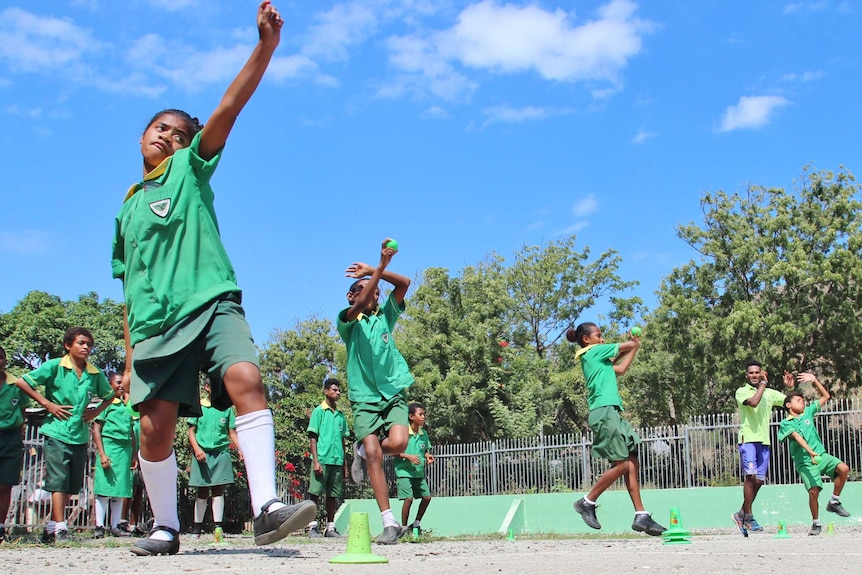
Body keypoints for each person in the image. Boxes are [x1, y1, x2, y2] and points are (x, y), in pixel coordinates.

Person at [111, 1, 315, 555]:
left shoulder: (190, 168)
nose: (168, 136)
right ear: (142, 135)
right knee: (154, 428)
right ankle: (166, 527)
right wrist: (130, 360)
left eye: (178, 133)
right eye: (160, 127)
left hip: (213, 301)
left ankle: (268, 508)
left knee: (246, 376)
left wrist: (265, 48)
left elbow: (228, 106)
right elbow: (128, 291)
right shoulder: (128, 210)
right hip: (156, 325)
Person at [337, 239, 412, 545]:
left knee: (398, 442)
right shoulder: (348, 322)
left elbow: (405, 283)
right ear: (351, 296)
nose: (375, 294)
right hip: (365, 397)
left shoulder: (385, 318)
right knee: (373, 453)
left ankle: (362, 451)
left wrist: (375, 269)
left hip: (392, 391)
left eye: (377, 291)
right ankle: (389, 522)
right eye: (367, 289)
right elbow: (360, 302)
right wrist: (378, 270)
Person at [14, 327, 116, 543]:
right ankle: (61, 528)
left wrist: (95, 412)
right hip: (57, 430)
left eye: (89, 344)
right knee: (58, 480)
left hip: (79, 434)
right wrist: (46, 403)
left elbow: (109, 395)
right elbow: (22, 381)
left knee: (72, 483)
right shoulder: (55, 366)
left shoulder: (94, 373)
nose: (86, 347)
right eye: (81, 343)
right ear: (68, 345)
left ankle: (51, 527)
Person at [567, 322, 666, 536]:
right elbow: (624, 346)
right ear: (587, 339)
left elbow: (620, 368)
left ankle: (641, 515)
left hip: (611, 412)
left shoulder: (598, 359)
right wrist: (633, 342)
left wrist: (635, 347)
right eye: (599, 335)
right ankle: (587, 501)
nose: (602, 339)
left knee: (631, 462)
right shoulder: (592, 351)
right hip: (603, 412)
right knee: (622, 464)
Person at [779, 371, 851, 535]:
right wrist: (811, 453)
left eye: (803, 401)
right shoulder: (785, 423)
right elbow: (797, 438)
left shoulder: (808, 413)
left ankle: (834, 501)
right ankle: (816, 523)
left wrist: (815, 381)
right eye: (798, 401)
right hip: (805, 462)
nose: (802, 403)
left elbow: (826, 396)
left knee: (844, 469)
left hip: (821, 456)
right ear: (788, 406)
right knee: (814, 491)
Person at [732, 360, 791, 537]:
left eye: (757, 373)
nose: (755, 376)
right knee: (749, 476)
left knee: (759, 481)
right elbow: (753, 402)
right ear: (746, 375)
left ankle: (741, 514)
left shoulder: (769, 393)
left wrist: (789, 388)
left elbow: (788, 402)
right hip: (748, 439)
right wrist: (764, 385)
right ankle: (749, 517)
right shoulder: (742, 391)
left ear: (761, 373)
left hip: (764, 442)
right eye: (751, 373)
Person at [187, 380, 238, 540]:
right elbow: (191, 431)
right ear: (207, 388)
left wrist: (240, 448)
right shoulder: (199, 406)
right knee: (202, 491)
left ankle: (218, 528)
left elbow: (231, 432)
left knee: (218, 490)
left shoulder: (227, 408)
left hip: (221, 453)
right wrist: (197, 449)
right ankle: (197, 529)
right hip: (202, 454)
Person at [92, 372, 135, 538]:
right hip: (110, 447)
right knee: (104, 488)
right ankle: (99, 526)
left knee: (119, 490)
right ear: (110, 385)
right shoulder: (107, 404)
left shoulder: (127, 406)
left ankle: (115, 526)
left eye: (122, 383)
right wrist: (102, 454)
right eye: (117, 383)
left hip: (124, 450)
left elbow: (131, 431)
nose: (120, 386)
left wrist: (132, 454)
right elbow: (97, 428)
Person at [306, 378, 349, 538]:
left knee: (333, 495)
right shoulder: (319, 411)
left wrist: (345, 464)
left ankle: (330, 527)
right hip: (322, 459)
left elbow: (343, 440)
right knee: (315, 493)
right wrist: (316, 460)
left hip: (336, 460)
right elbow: (313, 437)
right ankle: (312, 527)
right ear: (326, 391)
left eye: (339, 391)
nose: (337, 393)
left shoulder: (340, 415)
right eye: (334, 390)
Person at [0, 345, 31, 543]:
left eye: (1, 357)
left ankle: (1, 527)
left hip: (10, 438)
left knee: (5, 485)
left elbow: (24, 411)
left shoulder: (16, 384)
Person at [395, 403, 435, 536]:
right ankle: (404, 528)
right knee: (408, 499)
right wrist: (408, 456)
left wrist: (428, 456)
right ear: (411, 416)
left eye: (424, 414)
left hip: (418, 472)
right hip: (404, 471)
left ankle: (416, 524)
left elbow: (425, 450)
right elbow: (393, 452)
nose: (423, 417)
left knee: (427, 497)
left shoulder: (424, 434)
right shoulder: (402, 433)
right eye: (420, 414)